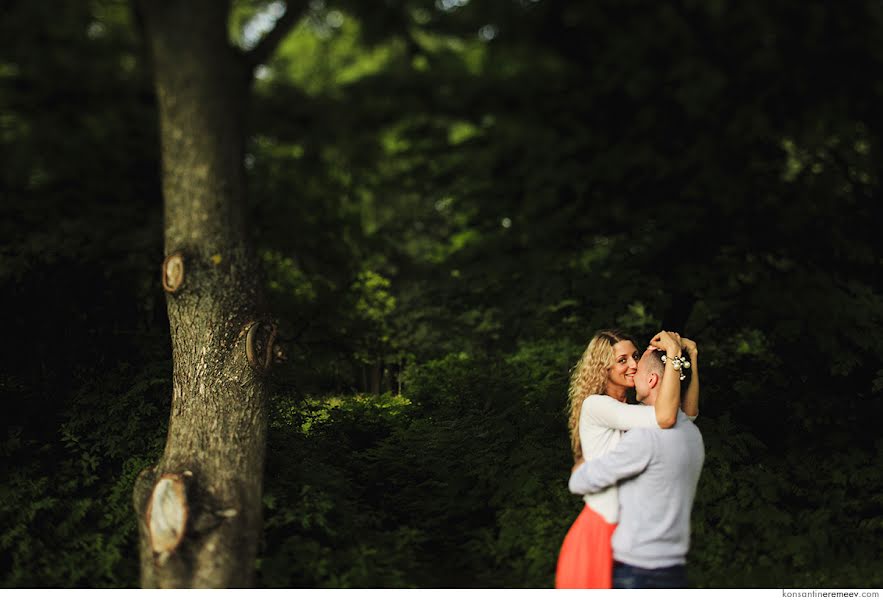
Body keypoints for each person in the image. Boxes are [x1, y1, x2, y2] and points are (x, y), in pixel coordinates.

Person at [555, 329, 699, 588]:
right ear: (603, 368)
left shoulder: (631, 413)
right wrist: (676, 355)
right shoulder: (597, 406)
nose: (633, 365)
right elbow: (667, 417)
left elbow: (685, 416)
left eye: (635, 356)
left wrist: (694, 358)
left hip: (625, 535)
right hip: (600, 530)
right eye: (623, 360)